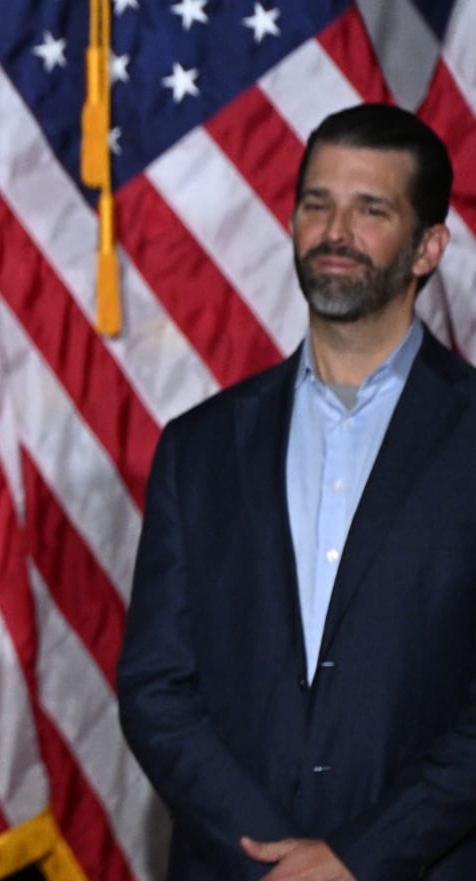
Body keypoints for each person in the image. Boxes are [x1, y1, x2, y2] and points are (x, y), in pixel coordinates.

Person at [117, 103, 476, 881]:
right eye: (317, 203)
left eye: (370, 209)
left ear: (429, 246)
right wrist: (272, 858)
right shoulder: (200, 446)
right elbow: (156, 687)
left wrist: (354, 858)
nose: (334, 230)